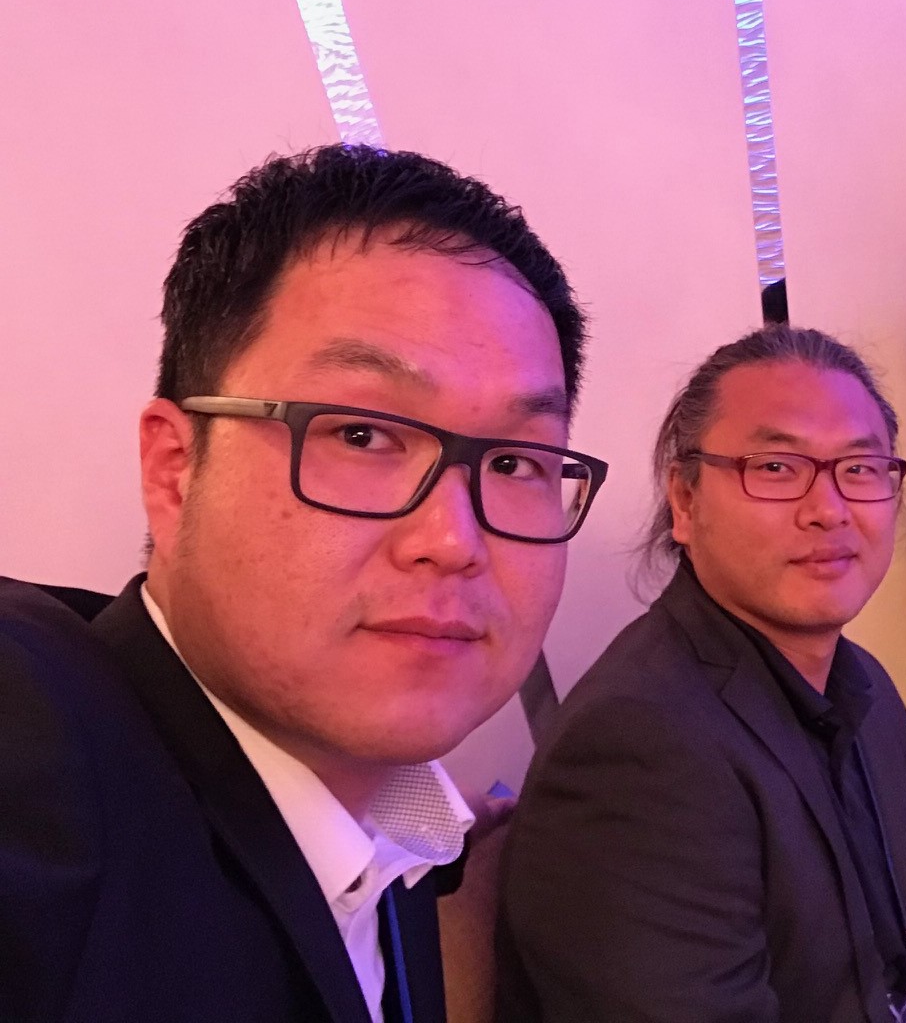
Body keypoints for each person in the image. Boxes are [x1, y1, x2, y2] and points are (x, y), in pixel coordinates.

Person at [0, 145, 606, 1023]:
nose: (452, 541)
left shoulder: (394, 839)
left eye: (515, 462)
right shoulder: (42, 754)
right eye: (361, 435)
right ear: (175, 468)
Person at [499, 326, 906, 1023]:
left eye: (860, 468)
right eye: (776, 467)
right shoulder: (638, 748)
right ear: (685, 501)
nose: (829, 510)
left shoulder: (861, 683)